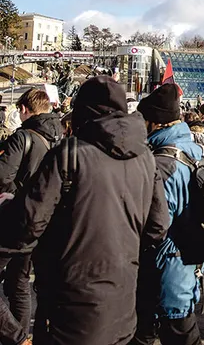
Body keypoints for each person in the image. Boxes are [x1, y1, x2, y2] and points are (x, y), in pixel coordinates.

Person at [1, 76, 170, 345]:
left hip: (70, 304)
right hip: (124, 301)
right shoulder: (146, 158)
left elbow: (27, 225)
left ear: (84, 111)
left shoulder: (69, 154)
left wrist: (9, 206)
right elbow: (158, 226)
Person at [132, 84, 203, 345]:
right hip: (185, 258)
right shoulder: (190, 149)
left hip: (167, 263)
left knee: (177, 332)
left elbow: (157, 223)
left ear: (156, 124)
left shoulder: (163, 163)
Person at [0, 89, 64, 345]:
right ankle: (22, 337)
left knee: (17, 283)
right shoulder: (60, 138)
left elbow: (2, 176)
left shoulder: (23, 137)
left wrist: (11, 195)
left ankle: (15, 337)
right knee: (19, 282)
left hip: (14, 219)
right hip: (42, 221)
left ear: (26, 109)